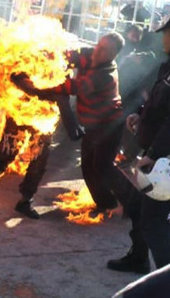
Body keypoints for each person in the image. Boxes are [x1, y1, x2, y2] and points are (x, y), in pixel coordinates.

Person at [12, 32, 131, 212]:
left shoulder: (104, 75)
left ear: (114, 55)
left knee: (103, 166)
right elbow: (65, 56)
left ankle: (134, 203)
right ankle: (106, 204)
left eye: (104, 50)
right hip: (92, 125)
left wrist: (35, 88)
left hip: (109, 126)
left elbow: (70, 87)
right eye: (99, 45)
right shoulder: (89, 54)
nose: (97, 51)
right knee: (88, 168)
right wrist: (44, 59)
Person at [107, 16, 170, 273]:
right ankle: (138, 257)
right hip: (154, 152)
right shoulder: (166, 68)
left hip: (162, 160)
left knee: (153, 220)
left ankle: (164, 279)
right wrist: (140, 115)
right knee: (137, 206)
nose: (162, 37)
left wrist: (154, 155)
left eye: (166, 32)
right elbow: (159, 103)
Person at [0, 117, 51, 219]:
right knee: (4, 153)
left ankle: (25, 201)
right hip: (19, 112)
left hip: (44, 116)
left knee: (38, 163)